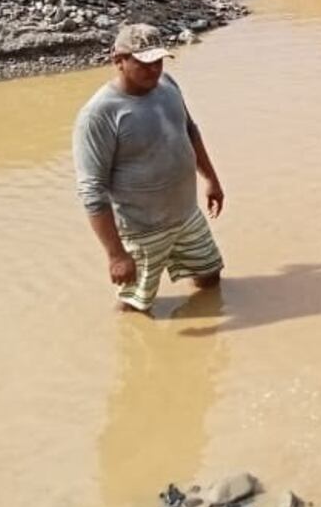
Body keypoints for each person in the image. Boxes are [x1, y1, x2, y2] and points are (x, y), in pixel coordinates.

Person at [72, 23, 225, 313]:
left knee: (209, 276)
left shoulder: (167, 85)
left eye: (158, 61)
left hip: (186, 215)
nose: (154, 70)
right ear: (118, 60)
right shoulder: (99, 114)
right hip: (140, 229)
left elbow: (189, 131)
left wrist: (211, 180)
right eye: (144, 63)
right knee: (134, 305)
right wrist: (116, 255)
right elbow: (92, 190)